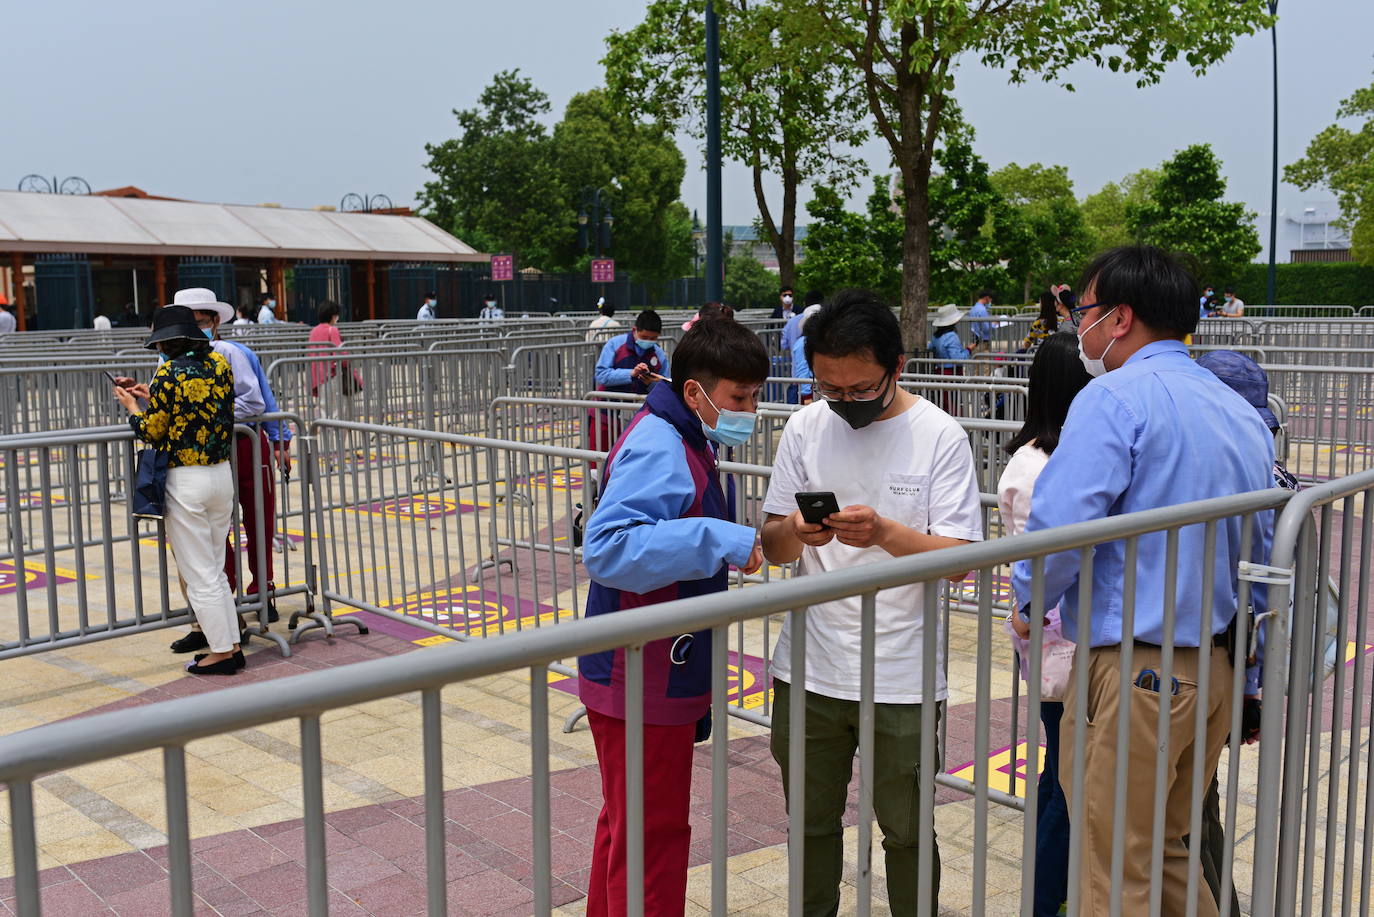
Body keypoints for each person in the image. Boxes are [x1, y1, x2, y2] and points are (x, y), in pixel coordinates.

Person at [1009, 245, 1274, 916]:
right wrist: (1246, 674)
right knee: (1167, 849)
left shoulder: (1112, 397)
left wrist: (1028, 600)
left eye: (1084, 310)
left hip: (1137, 671)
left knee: (1111, 867)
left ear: (1120, 317)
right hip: (1213, 666)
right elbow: (1262, 547)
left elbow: (1060, 525)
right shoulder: (1239, 410)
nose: (1079, 326)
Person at [760, 290, 984, 916]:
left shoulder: (939, 435)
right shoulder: (806, 425)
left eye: (861, 389)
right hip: (807, 668)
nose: (845, 403)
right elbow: (773, 544)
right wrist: (797, 533)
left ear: (898, 367)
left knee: (908, 830)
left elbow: (961, 558)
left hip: (901, 674)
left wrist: (884, 532)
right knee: (809, 822)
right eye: (831, 389)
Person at [579, 317, 768, 916]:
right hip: (644, 673)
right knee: (653, 836)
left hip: (645, 668)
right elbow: (607, 548)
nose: (750, 410)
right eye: (740, 398)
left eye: (756, 396)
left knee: (628, 827)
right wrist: (718, 535)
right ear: (696, 392)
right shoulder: (662, 443)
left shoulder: (680, 432)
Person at [995, 332, 1091, 917]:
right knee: (1064, 777)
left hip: (1055, 633)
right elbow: (1045, 562)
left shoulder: (1048, 456)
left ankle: (1052, 891)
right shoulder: (1037, 465)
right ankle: (1046, 899)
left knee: (1063, 771)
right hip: (1056, 636)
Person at [112, 305, 241, 675]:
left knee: (200, 573)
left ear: (167, 341)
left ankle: (221, 652)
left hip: (187, 479)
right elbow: (197, 408)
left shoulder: (169, 372)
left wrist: (133, 407)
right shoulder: (219, 364)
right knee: (214, 569)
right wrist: (151, 396)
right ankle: (230, 644)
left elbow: (152, 431)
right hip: (220, 474)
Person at [176, 290, 288, 652]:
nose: (196, 329)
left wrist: (281, 440)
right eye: (188, 322)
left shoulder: (232, 354)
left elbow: (258, 400)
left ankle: (262, 592)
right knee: (210, 531)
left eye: (201, 322)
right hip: (201, 455)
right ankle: (216, 613)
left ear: (216, 321)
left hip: (244, 445)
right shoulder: (171, 358)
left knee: (258, 521)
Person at [591, 310, 669, 465]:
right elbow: (601, 374)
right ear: (635, 331)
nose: (648, 341)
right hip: (606, 413)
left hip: (640, 420)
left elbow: (665, 386)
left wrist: (650, 383)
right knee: (599, 459)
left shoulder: (659, 355)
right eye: (645, 337)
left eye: (653, 338)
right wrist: (631, 373)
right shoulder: (615, 345)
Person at [308, 301, 361, 415]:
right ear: (333, 316)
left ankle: (325, 431)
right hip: (331, 374)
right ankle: (337, 433)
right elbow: (340, 352)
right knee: (338, 408)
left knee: (324, 406)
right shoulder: (332, 330)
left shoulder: (313, 331)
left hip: (317, 375)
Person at [790, 302, 822, 405]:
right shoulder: (802, 343)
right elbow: (802, 369)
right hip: (809, 392)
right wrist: (806, 395)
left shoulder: (819, 341)